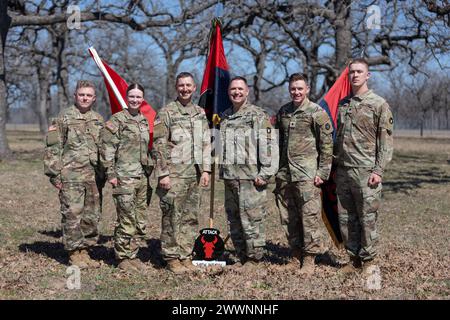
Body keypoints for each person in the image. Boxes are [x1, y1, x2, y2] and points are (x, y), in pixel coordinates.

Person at [334, 58, 394, 273]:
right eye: (352, 72)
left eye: (359, 72)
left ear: (368, 75)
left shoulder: (378, 104)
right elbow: (338, 138)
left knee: (367, 218)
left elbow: (385, 142)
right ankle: (353, 260)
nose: (355, 75)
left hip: (366, 171)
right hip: (343, 170)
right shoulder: (343, 104)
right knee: (346, 218)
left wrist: (378, 170)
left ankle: (368, 261)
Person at [273, 73, 334, 274]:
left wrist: (323, 172)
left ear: (307, 89)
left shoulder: (317, 113)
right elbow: (278, 142)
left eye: (300, 88)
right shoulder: (283, 112)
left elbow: (326, 145)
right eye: (293, 89)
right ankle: (295, 254)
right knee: (289, 217)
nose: (296, 92)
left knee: (309, 217)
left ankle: (309, 259)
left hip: (307, 175)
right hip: (285, 175)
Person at [152, 72, 211, 274]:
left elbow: (205, 143)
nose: (185, 89)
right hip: (174, 174)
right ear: (176, 88)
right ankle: (171, 257)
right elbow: (158, 146)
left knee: (190, 217)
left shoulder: (200, 113)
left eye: (188, 85)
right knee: (171, 217)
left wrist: (206, 169)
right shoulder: (166, 112)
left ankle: (186, 255)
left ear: (194, 88)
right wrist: (163, 174)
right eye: (181, 85)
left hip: (194, 174)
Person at [219, 76, 278, 267]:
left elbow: (269, 146)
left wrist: (265, 173)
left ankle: (255, 260)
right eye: (233, 89)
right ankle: (242, 257)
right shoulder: (225, 116)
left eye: (240, 89)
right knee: (234, 221)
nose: (236, 92)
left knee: (252, 222)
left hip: (251, 179)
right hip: (230, 178)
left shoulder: (258, 116)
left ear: (247, 91)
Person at [44, 80, 104, 269]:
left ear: (94, 98)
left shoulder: (98, 119)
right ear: (75, 96)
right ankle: (74, 252)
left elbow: (104, 148)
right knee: (72, 215)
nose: (84, 98)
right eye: (81, 94)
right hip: (70, 176)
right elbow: (53, 147)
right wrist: (55, 174)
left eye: (88, 95)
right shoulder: (63, 118)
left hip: (93, 177)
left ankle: (85, 250)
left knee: (91, 216)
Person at [101, 83, 153, 272]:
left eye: (139, 97)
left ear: (142, 99)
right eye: (132, 96)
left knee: (140, 220)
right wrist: (111, 173)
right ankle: (122, 256)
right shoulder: (117, 120)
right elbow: (107, 148)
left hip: (141, 177)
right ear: (126, 97)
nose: (135, 100)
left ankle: (133, 254)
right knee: (126, 218)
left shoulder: (144, 120)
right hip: (124, 177)